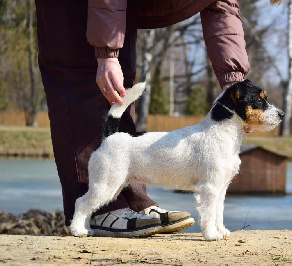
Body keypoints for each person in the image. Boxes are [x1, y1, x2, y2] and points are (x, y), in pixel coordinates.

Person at [35, 0, 249, 237]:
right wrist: (106, 53)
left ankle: (135, 203)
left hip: (121, 12)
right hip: (76, 11)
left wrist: (233, 80)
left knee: (122, 86)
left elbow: (223, 11)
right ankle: (101, 212)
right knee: (84, 82)